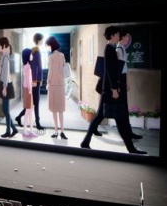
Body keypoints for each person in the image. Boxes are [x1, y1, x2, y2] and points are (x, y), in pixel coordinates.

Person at [81, 26, 146, 154]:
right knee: (119, 117)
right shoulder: (110, 49)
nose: (118, 36)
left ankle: (85, 142)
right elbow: (110, 72)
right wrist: (114, 89)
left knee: (102, 115)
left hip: (108, 89)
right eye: (116, 34)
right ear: (111, 36)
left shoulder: (110, 48)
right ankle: (131, 148)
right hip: (110, 90)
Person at [15, 32, 44, 130]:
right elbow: (35, 67)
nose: (43, 42)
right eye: (42, 40)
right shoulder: (35, 51)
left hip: (36, 81)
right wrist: (35, 80)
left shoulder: (35, 51)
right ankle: (37, 123)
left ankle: (19, 117)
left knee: (32, 103)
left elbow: (37, 67)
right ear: (39, 40)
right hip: (35, 82)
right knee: (34, 103)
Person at [45, 35, 68, 139]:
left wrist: (48, 83)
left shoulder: (50, 57)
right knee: (61, 110)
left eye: (47, 45)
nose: (47, 47)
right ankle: (62, 131)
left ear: (50, 45)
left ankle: (56, 131)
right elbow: (63, 69)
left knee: (54, 109)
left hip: (53, 85)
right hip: (61, 84)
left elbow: (50, 72)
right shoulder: (62, 55)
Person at [0, 37, 17, 138]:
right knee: (5, 110)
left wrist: (4, 87)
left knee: (6, 111)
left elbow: (5, 74)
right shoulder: (4, 56)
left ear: (3, 46)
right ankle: (13, 129)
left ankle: (9, 131)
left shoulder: (5, 58)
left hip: (6, 85)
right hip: (5, 85)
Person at [20, 48, 36, 137]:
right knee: (28, 111)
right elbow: (27, 80)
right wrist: (30, 89)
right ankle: (25, 131)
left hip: (28, 90)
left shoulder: (26, 66)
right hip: (28, 90)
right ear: (27, 55)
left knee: (30, 111)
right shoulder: (27, 66)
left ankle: (30, 131)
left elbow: (26, 80)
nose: (32, 55)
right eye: (31, 54)